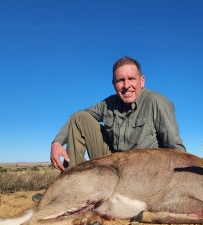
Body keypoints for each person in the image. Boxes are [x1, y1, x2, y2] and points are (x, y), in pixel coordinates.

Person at [50, 56, 186, 172]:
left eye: (131, 78)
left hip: (145, 171)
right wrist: (57, 142)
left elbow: (175, 148)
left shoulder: (157, 102)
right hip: (113, 166)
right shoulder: (109, 103)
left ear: (142, 80)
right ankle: (72, 180)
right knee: (79, 118)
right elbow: (79, 117)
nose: (126, 85)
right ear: (113, 83)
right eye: (120, 80)